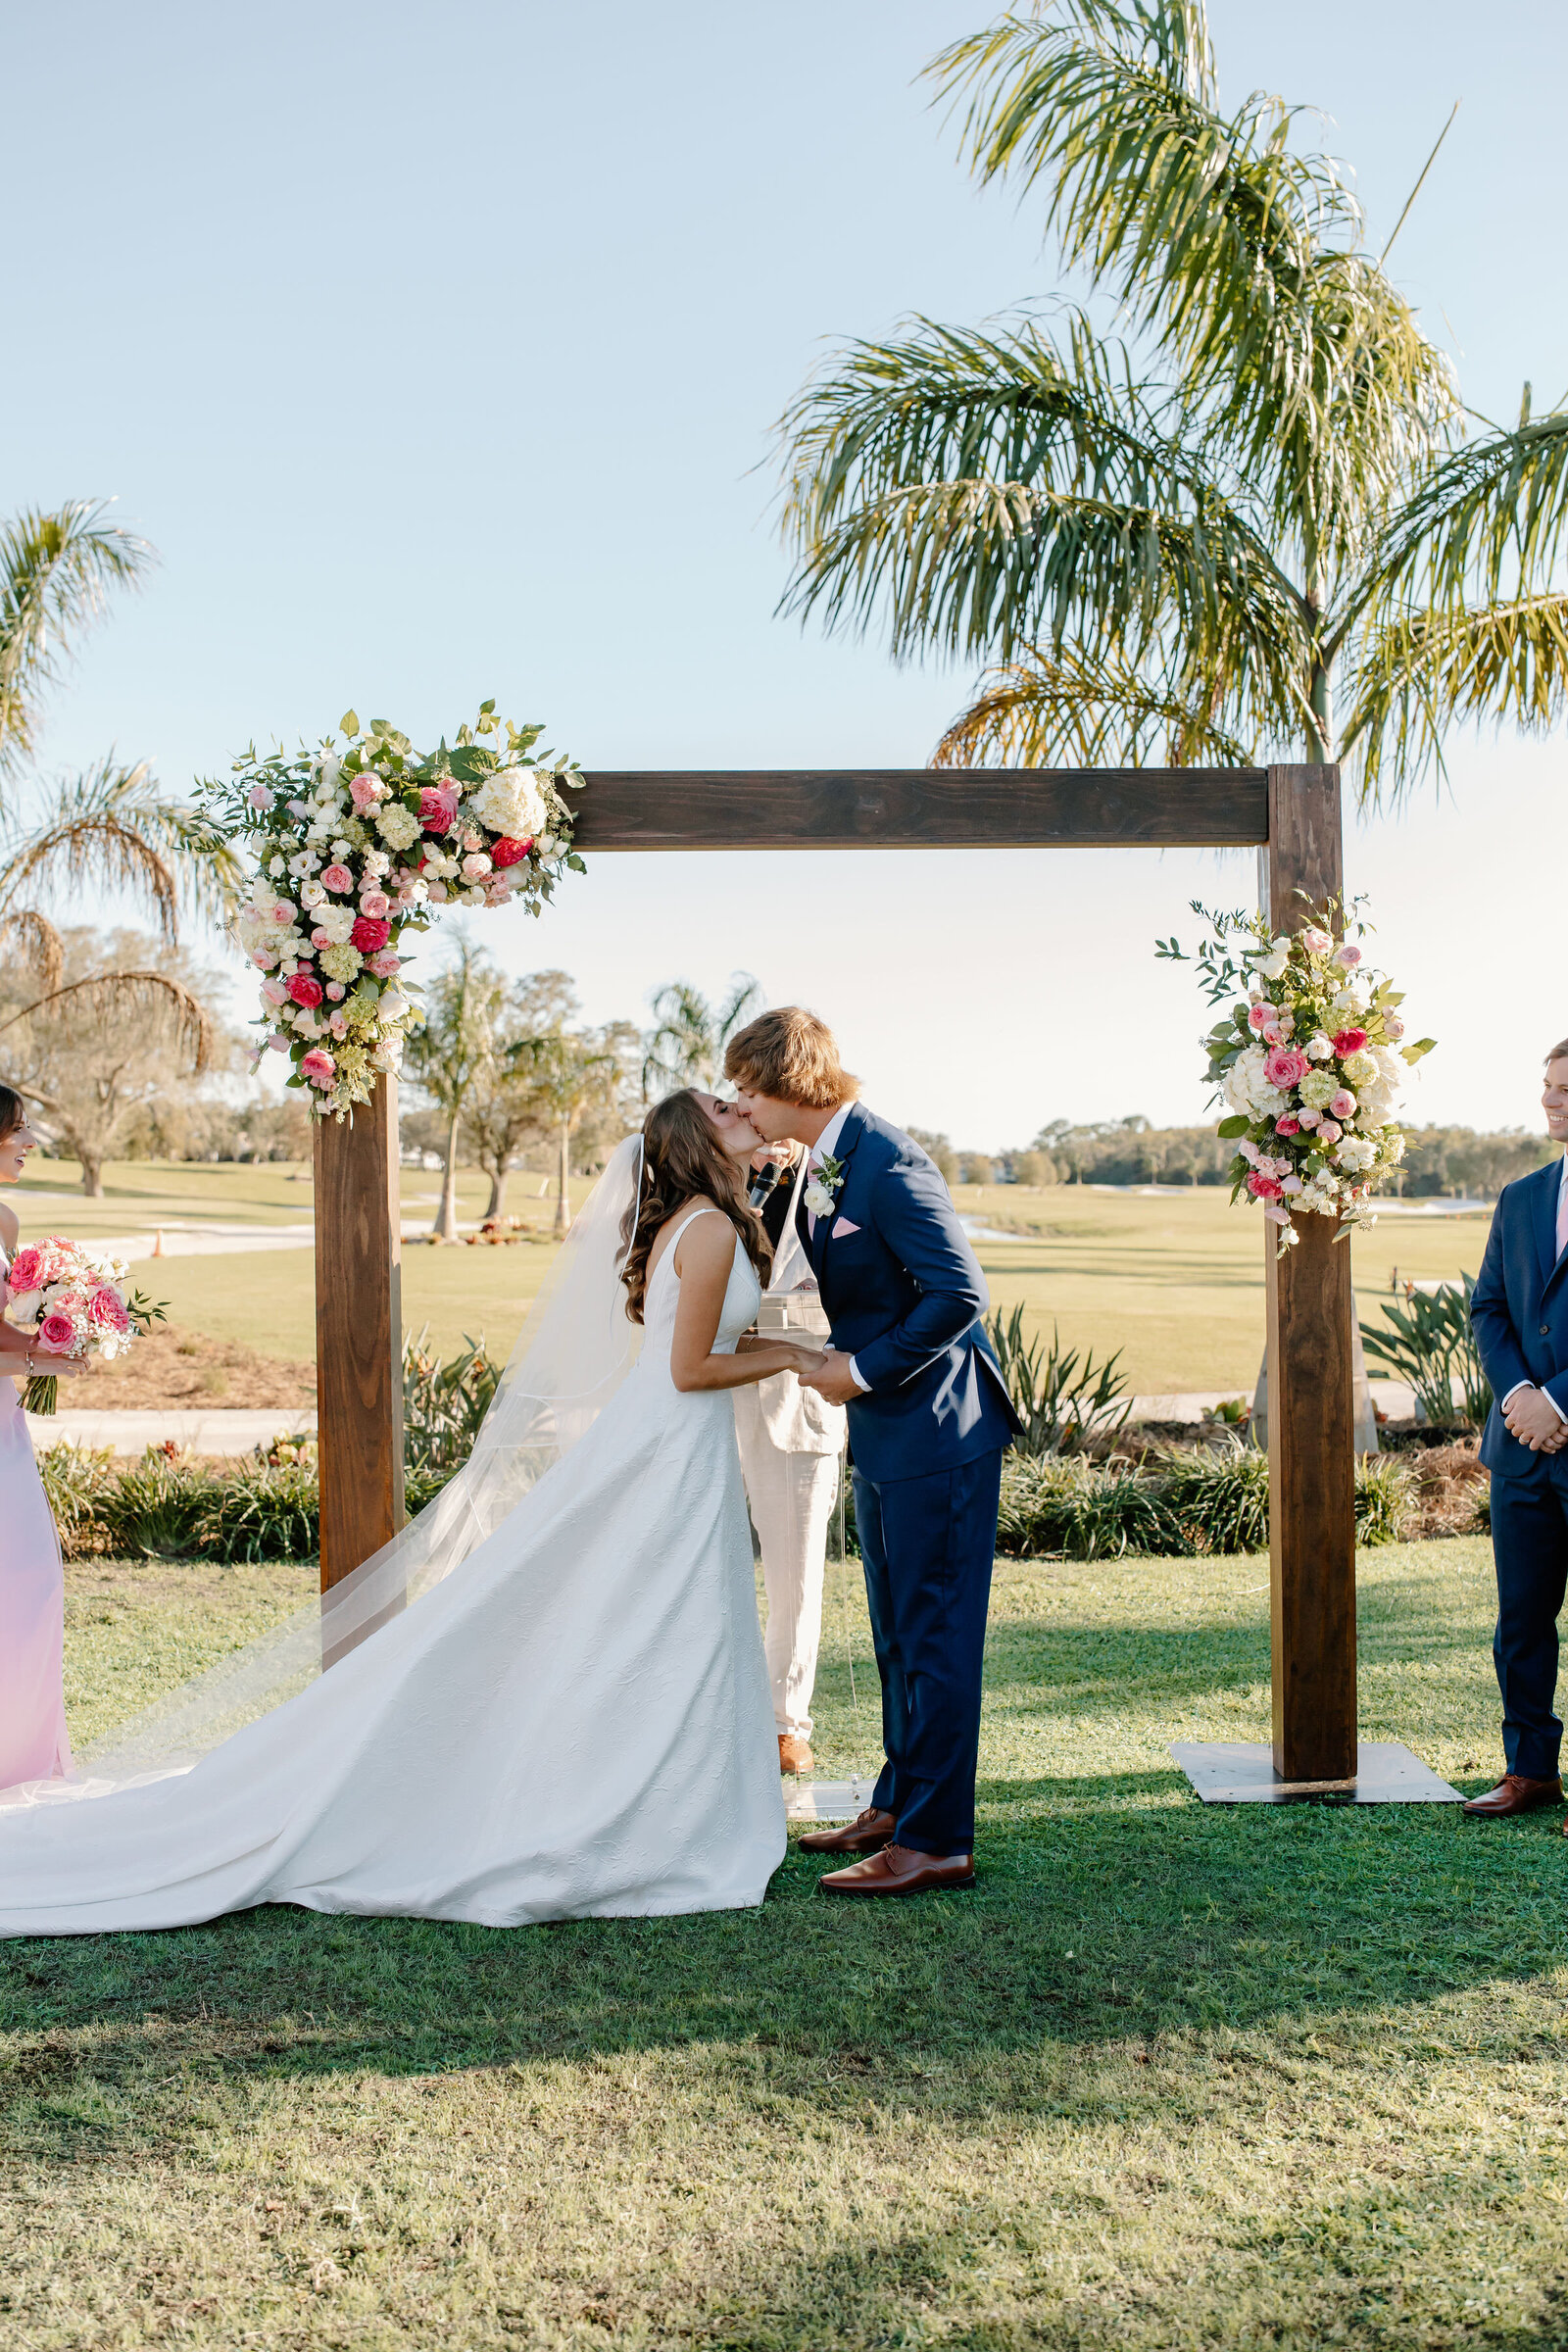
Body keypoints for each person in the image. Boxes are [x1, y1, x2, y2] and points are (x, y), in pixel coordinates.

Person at [0, 1089, 821, 1935]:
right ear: (694, 1140)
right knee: (661, 1623)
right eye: (723, 1109)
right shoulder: (713, 1228)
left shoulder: (690, 1221)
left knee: (653, 1623)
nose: (740, 1111)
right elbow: (692, 1369)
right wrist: (793, 1355)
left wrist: (790, 1350)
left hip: (661, 1443)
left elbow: (701, 1349)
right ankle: (639, 1811)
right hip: (671, 1445)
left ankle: (660, 1799)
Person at [726, 1007, 1022, 1897]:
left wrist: (861, 1367)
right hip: (892, 1432)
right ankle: (897, 1803)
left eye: (748, 1085)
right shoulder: (821, 1161)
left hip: (940, 1427)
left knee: (935, 1633)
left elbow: (958, 1293)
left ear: (790, 1083)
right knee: (898, 1629)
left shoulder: (890, 1165)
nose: (741, 1101)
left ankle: (937, 1840)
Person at [1464, 1040, 1568, 1821]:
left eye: (1564, 1090)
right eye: (1546, 1088)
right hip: (1521, 1453)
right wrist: (1522, 1396)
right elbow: (1488, 1309)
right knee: (1522, 1621)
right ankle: (1529, 1772)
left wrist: (1559, 1401)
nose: (1550, 1102)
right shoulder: (1521, 1195)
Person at [733, 1138, 846, 1776]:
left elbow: (854, 1301)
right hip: (706, 1406)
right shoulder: (716, 1175)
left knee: (796, 1577)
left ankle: (784, 1724)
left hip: (799, 1406)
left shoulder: (838, 1180)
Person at [0, 1091, 83, 1793]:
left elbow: (5, 1333)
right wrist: (41, 1361)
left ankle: (24, 1757)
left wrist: (63, 1333)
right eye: (17, 1131)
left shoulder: (4, 1220)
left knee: (30, 1582)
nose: (30, 1141)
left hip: (6, 1428)